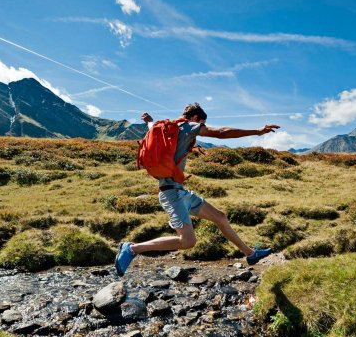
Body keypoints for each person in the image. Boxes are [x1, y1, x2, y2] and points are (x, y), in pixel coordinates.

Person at [115, 102, 280, 277]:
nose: (203, 127)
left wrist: (149, 120)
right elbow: (221, 133)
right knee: (187, 241)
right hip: (172, 194)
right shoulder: (189, 126)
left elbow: (151, 126)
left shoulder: (164, 127)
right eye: (202, 123)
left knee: (220, 217)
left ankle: (251, 254)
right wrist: (257, 131)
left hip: (180, 192)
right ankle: (132, 248)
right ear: (195, 118)